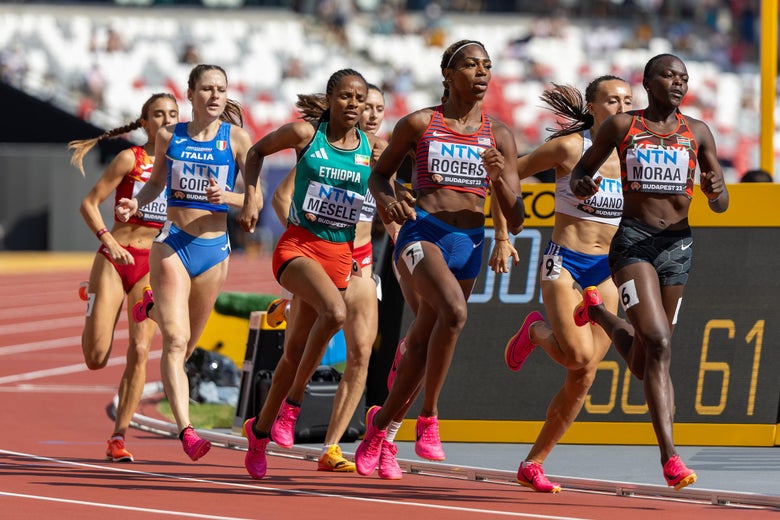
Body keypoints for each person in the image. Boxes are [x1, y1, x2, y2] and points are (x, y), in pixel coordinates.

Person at [353, 39, 524, 477]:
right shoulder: (419, 123)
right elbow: (379, 177)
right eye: (470, 65)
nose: (481, 73)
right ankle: (428, 417)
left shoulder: (500, 135)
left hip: (469, 243)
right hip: (422, 233)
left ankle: (381, 429)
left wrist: (497, 178)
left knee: (423, 341)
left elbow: (517, 217)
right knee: (454, 312)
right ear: (448, 74)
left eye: (487, 65)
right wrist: (389, 201)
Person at [569, 53, 729, 490]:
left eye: (684, 78)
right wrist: (582, 183)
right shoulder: (623, 127)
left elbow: (720, 202)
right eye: (668, 76)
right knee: (658, 342)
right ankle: (670, 456)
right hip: (634, 244)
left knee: (644, 362)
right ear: (647, 82)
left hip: (678, 248)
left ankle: (596, 312)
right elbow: (581, 173)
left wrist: (716, 190)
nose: (678, 83)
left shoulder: (698, 132)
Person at [239, 68, 382, 480]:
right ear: (331, 98)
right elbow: (256, 152)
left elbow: (390, 180)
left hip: (340, 256)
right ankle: (293, 404)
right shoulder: (306, 135)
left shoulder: (371, 148)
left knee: (294, 354)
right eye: (346, 97)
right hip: (298, 247)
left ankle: (259, 432)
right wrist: (251, 197)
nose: (354, 105)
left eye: (360, 99)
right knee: (335, 313)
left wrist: (396, 202)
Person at [493, 77, 633, 492]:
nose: (622, 107)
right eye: (612, 100)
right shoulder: (570, 147)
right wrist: (502, 235)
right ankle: (536, 332)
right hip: (566, 262)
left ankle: (533, 463)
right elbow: (505, 177)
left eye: (628, 100)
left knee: (584, 376)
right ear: (592, 107)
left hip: (606, 270)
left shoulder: (634, 155)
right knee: (577, 356)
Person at [115, 64, 255, 461]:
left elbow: (255, 201)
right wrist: (135, 203)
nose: (215, 95)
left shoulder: (237, 139)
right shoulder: (169, 136)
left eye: (221, 89)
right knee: (175, 342)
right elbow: (156, 184)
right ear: (190, 94)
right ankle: (187, 430)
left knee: (188, 344)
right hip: (173, 243)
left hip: (214, 251)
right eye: (207, 88)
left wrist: (227, 198)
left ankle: (152, 309)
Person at [69, 93, 179, 462]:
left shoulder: (184, 164)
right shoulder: (131, 158)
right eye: (158, 115)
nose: (166, 120)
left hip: (152, 264)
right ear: (144, 123)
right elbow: (88, 204)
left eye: (172, 114)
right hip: (115, 257)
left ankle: (118, 437)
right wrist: (109, 241)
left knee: (141, 349)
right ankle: (93, 295)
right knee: (96, 358)